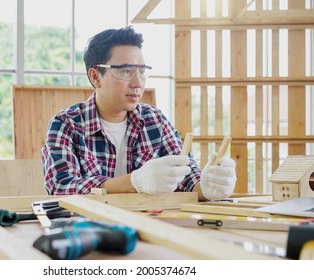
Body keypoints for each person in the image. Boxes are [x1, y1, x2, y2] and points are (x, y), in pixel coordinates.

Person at [41, 26, 237, 201]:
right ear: (95, 76)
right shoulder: (66, 124)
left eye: (142, 72)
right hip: (89, 229)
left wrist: (207, 187)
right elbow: (61, 188)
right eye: (126, 71)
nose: (137, 83)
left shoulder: (155, 121)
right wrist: (135, 181)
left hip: (149, 226)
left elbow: (187, 179)